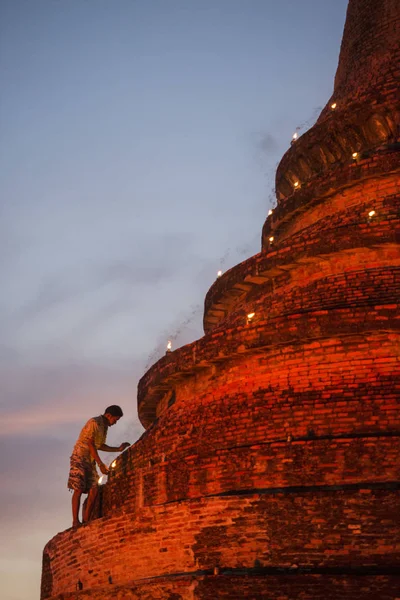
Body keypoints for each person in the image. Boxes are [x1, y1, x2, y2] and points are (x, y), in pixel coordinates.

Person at [68, 405, 130, 527]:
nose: (115, 423)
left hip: (90, 460)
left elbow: (99, 445)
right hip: (80, 457)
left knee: (94, 489)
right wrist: (101, 464)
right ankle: (75, 521)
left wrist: (118, 449)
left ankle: (85, 521)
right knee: (78, 488)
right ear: (108, 416)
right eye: (115, 420)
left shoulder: (104, 427)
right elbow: (91, 444)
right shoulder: (94, 422)